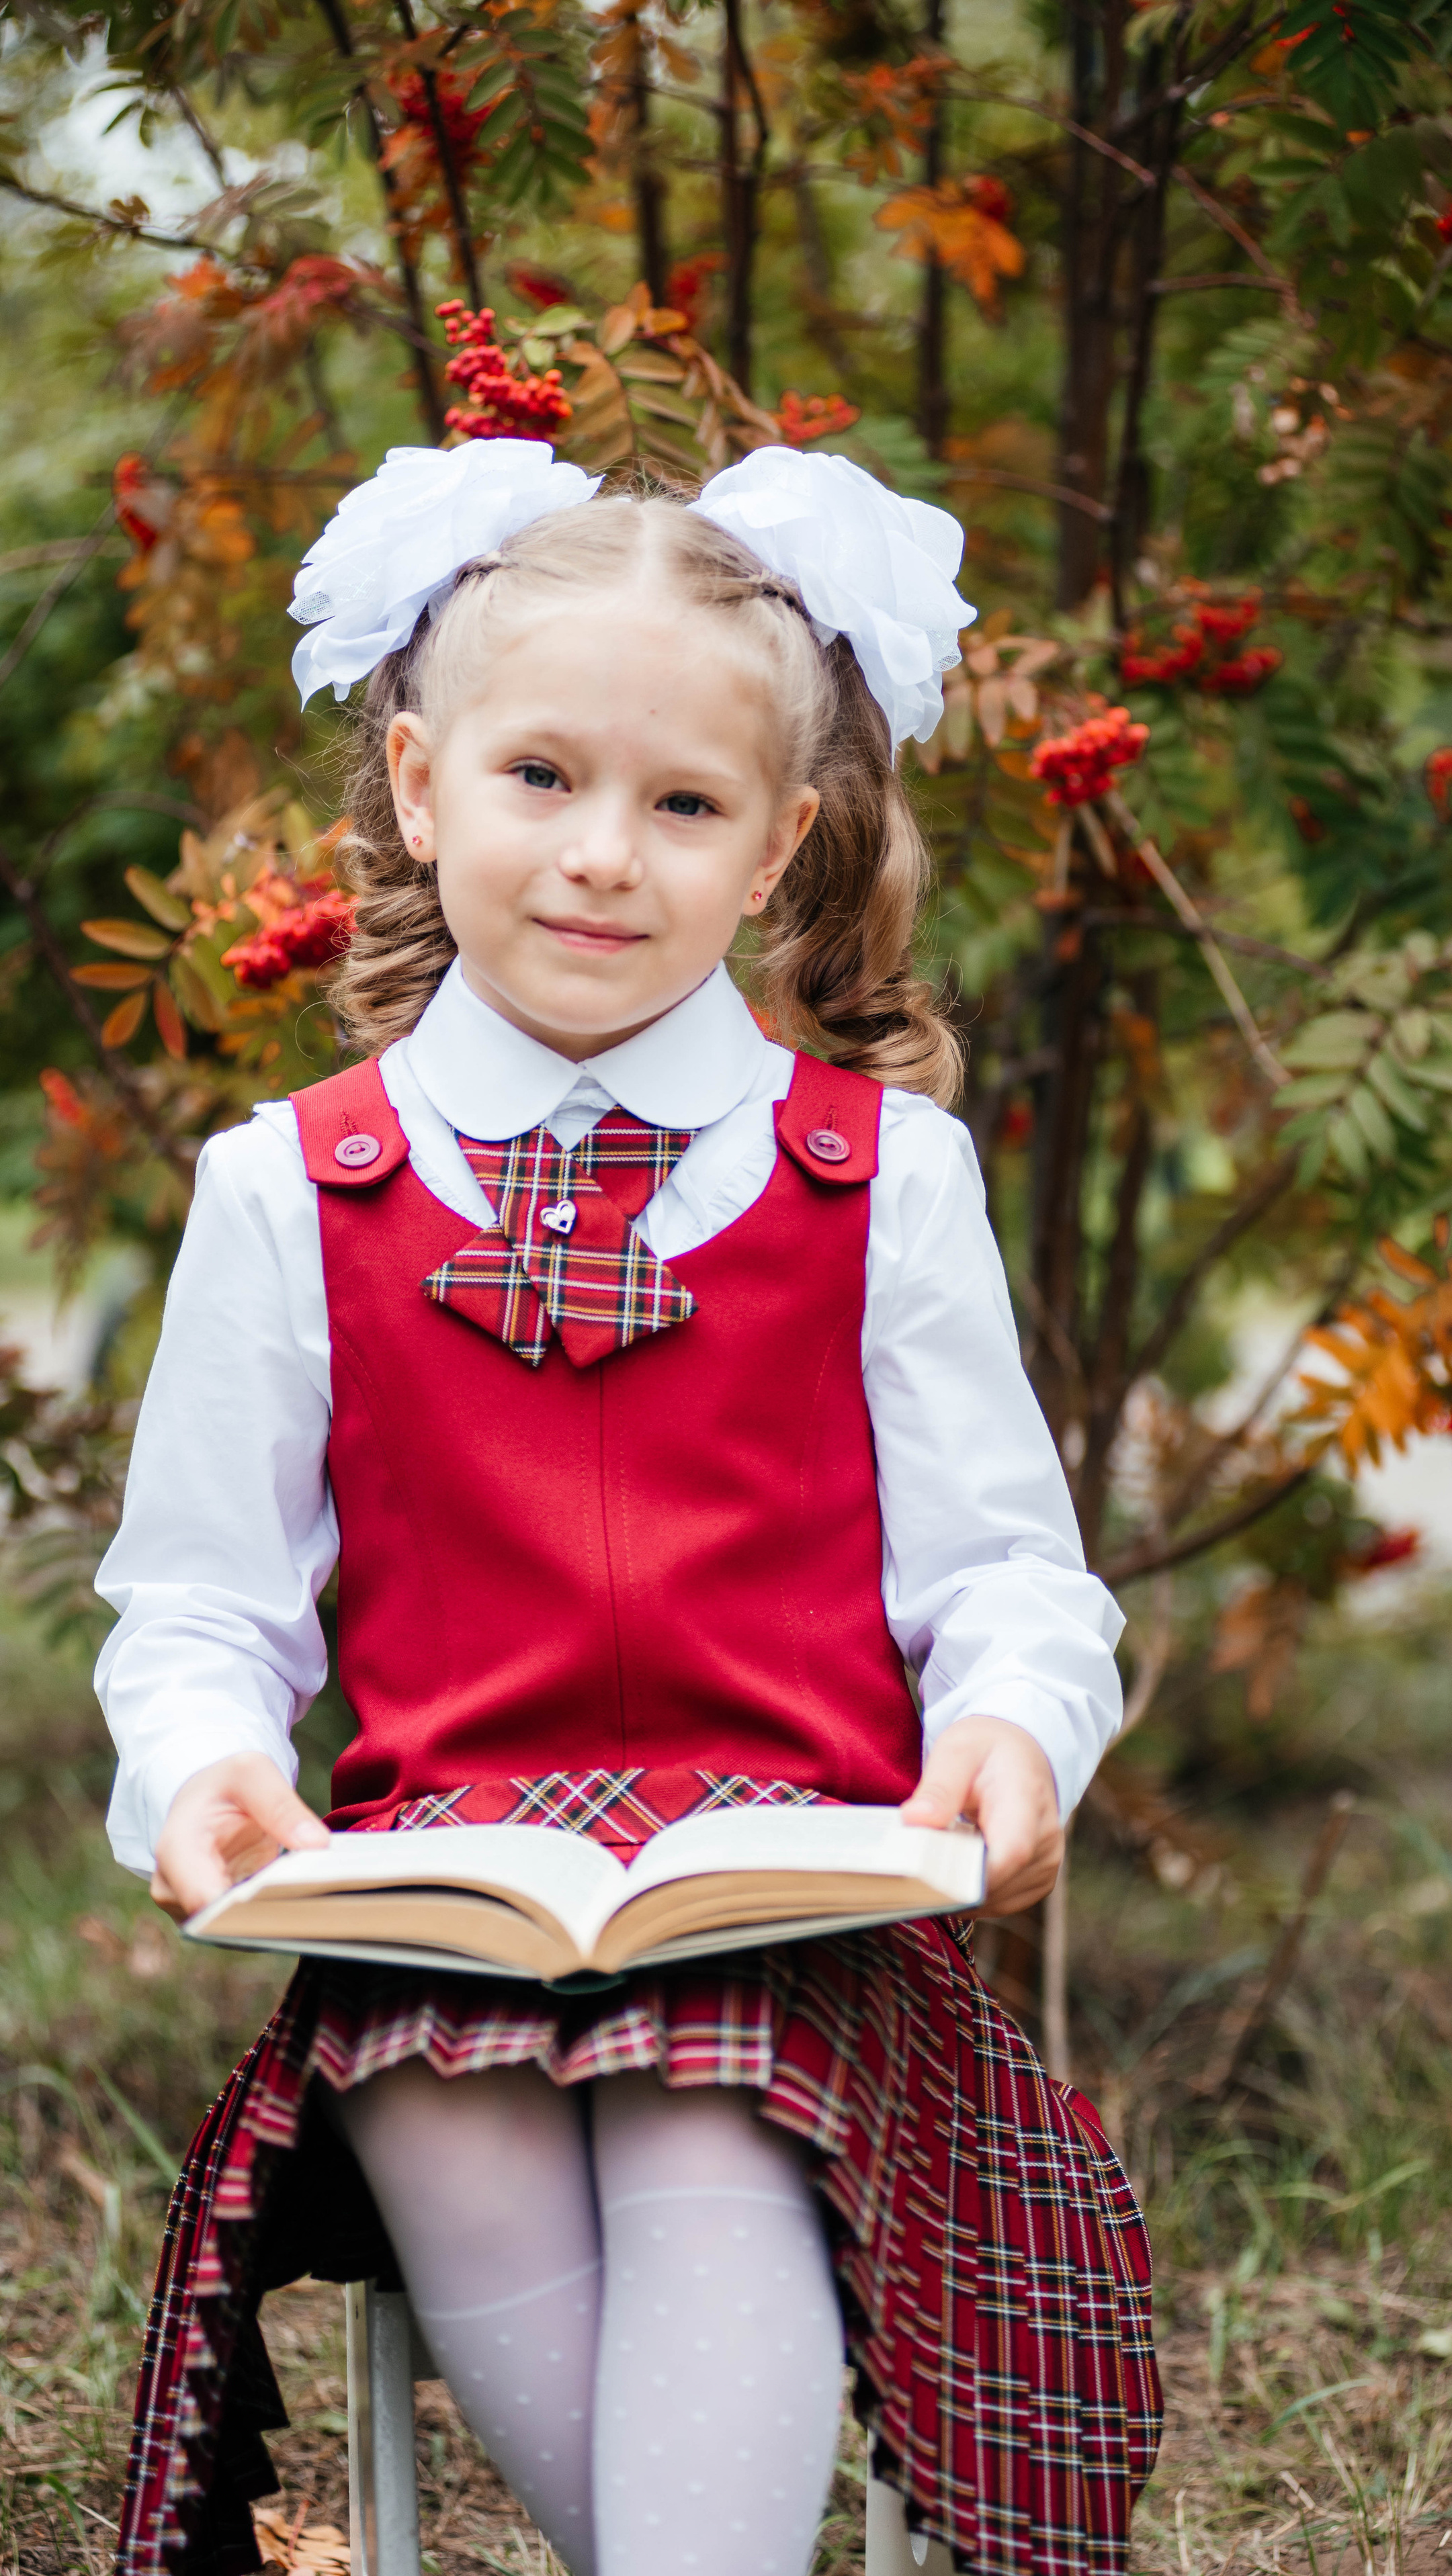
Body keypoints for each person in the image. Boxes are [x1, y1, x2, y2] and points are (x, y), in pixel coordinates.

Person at [99, 437, 1161, 2576]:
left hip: (788, 1899)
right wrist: (206, 1767)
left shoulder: (880, 1178)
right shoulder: (292, 1190)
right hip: (444, 1899)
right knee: (435, 2096)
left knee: (709, 2091)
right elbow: (203, 1600)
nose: (604, 856)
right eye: (541, 779)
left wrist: (1017, 1725)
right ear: (419, 784)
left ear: (778, 847)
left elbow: (1008, 1577)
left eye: (682, 804)